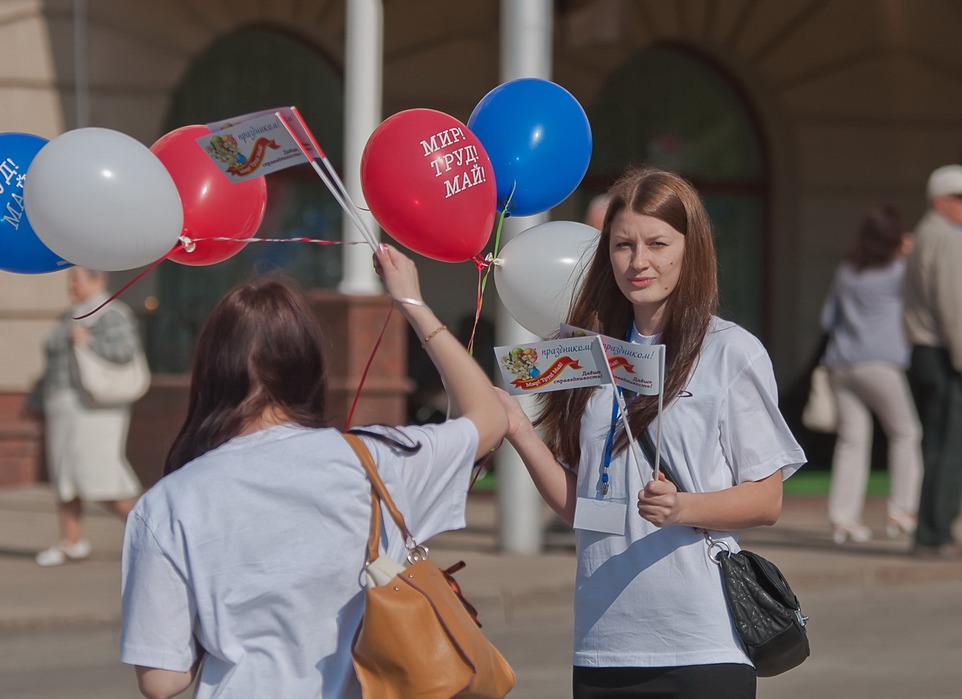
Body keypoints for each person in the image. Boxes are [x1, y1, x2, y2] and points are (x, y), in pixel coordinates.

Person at [118, 244, 507, 699]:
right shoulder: (377, 459)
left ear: (210, 371)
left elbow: (162, 681)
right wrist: (412, 303)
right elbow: (488, 418)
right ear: (309, 366)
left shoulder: (167, 503)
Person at [495, 167, 805, 698]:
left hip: (702, 644)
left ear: (691, 249)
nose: (639, 262)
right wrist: (518, 429)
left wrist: (683, 507)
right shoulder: (585, 354)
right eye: (623, 245)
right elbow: (582, 510)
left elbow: (767, 498)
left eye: (658, 243)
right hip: (602, 643)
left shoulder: (730, 351)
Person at [902, 164, 962, 559]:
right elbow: (957, 309)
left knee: (940, 445)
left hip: (933, 355)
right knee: (951, 446)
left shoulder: (932, 235)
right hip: (947, 357)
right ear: (941, 201)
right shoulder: (946, 240)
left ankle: (931, 532)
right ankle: (938, 534)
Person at [819, 205, 923, 544]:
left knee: (852, 441)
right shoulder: (898, 271)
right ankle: (901, 512)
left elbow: (827, 320)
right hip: (881, 365)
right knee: (906, 433)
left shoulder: (846, 271)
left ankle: (842, 520)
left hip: (843, 364)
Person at [32, 267, 144, 567]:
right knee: (65, 476)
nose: (73, 284)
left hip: (96, 409)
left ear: (100, 280)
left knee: (100, 477)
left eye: (78, 278)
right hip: (64, 406)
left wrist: (88, 341)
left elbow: (125, 349)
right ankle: (71, 541)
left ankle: (151, 533)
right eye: (71, 278)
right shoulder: (70, 313)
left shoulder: (111, 313)